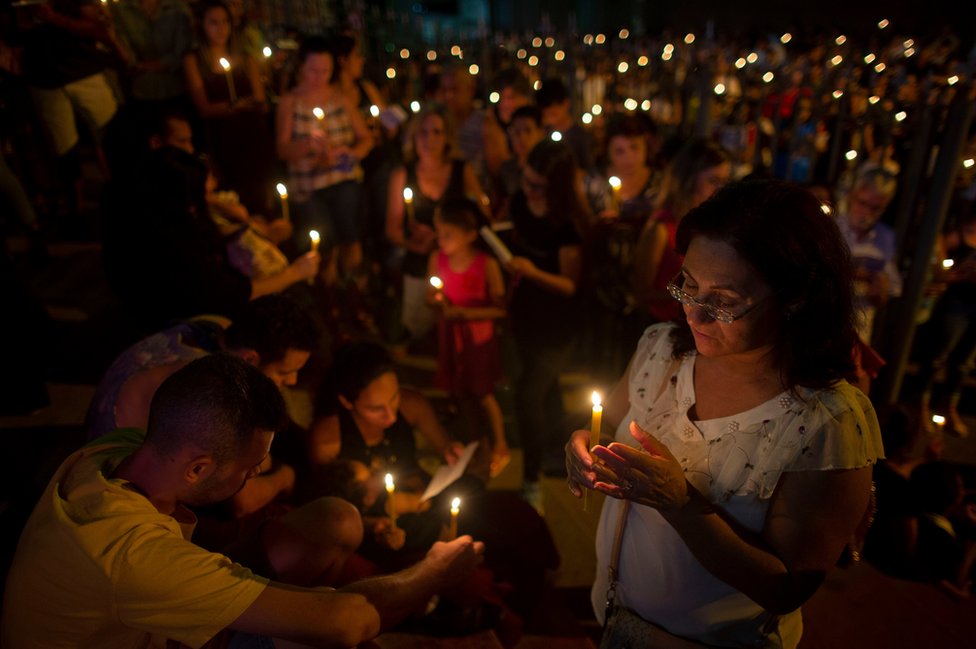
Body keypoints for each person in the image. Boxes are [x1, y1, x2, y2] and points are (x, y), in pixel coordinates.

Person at [566, 179, 882, 648]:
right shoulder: (660, 350)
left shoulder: (825, 422)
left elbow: (787, 586)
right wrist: (581, 447)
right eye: (688, 286)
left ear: (795, 297)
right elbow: (605, 425)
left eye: (725, 302)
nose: (695, 315)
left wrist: (682, 505)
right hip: (619, 621)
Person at [2, 353, 483, 648]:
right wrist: (433, 572)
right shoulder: (133, 556)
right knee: (323, 636)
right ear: (198, 468)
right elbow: (345, 623)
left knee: (334, 522)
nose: (260, 472)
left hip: (141, 612)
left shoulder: (114, 450)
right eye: (251, 468)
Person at [507, 140, 586, 512]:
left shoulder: (567, 223)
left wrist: (532, 271)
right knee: (547, 387)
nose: (527, 190)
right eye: (525, 180)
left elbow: (570, 284)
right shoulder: (520, 203)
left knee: (528, 394)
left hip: (558, 325)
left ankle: (530, 479)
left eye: (537, 186)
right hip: (526, 314)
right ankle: (558, 448)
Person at [276, 34, 373, 284]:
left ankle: (353, 280)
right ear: (301, 68)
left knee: (348, 215)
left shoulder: (341, 98)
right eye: (313, 71)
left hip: (342, 175)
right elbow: (283, 149)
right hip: (309, 183)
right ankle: (327, 283)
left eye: (325, 71)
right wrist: (307, 144)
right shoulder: (290, 102)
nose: (320, 77)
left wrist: (350, 153)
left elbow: (366, 139)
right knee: (322, 231)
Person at [386, 104, 486, 343]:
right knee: (420, 328)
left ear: (447, 137)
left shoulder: (462, 172)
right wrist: (416, 245)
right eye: (423, 132)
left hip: (456, 260)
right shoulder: (403, 175)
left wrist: (445, 236)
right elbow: (392, 230)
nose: (428, 139)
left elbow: (481, 217)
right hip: (420, 258)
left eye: (437, 132)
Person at [428, 197, 510, 476]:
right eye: (439, 234)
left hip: (477, 338)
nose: (442, 241)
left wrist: (464, 314)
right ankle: (474, 443)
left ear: (470, 235)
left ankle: (500, 443)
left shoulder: (485, 264)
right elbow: (432, 296)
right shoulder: (436, 259)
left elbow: (501, 310)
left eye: (449, 235)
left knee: (483, 392)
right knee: (460, 389)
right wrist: (437, 302)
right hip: (450, 336)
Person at [183, 0, 274, 213]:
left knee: (259, 193)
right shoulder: (194, 60)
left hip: (251, 137)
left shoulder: (245, 57)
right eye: (213, 23)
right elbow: (204, 108)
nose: (221, 28)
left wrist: (240, 105)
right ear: (202, 26)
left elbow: (259, 100)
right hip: (221, 138)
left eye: (225, 22)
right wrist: (237, 104)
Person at [633, 138, 730, 322]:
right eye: (713, 181)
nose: (720, 190)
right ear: (689, 180)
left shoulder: (711, 226)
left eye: (724, 182)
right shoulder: (661, 228)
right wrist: (692, 296)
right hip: (666, 323)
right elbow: (641, 292)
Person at [835, 162, 902, 345]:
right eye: (862, 203)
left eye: (875, 208)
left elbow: (892, 286)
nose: (866, 213)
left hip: (859, 331)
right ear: (851, 196)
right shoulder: (831, 229)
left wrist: (880, 288)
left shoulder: (884, 237)